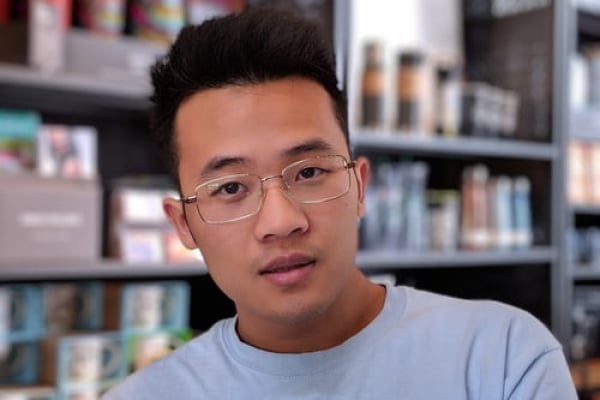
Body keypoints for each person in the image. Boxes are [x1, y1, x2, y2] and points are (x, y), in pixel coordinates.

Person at [103, 7, 577, 399]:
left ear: (359, 187)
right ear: (184, 224)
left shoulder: (502, 359)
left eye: (309, 172)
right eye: (230, 188)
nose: (281, 221)